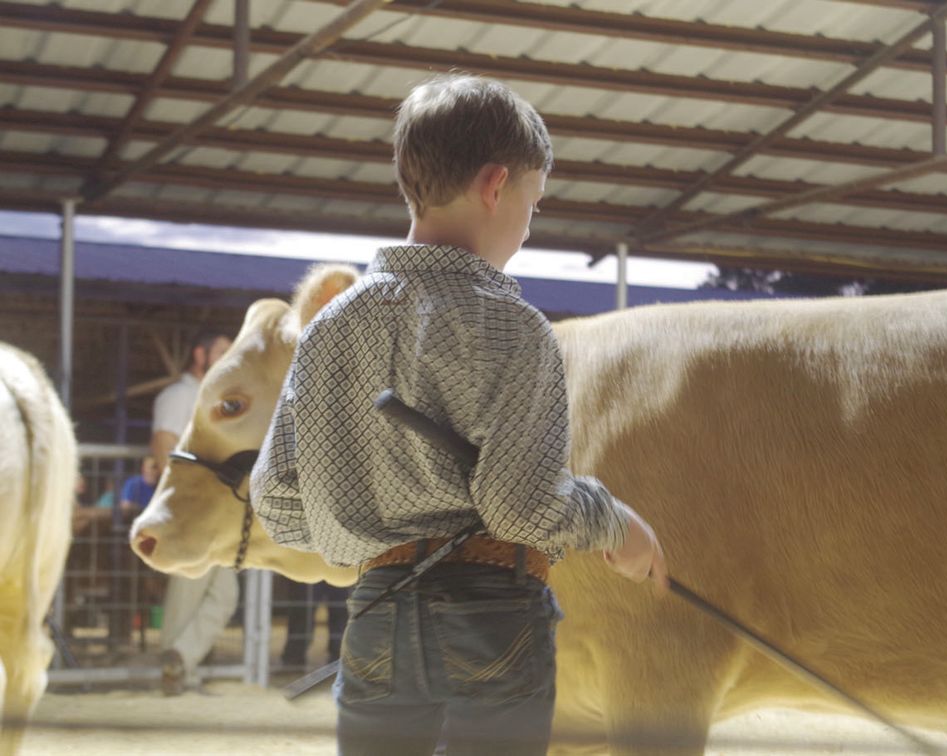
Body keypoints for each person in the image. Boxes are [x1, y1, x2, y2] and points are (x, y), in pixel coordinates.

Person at [251, 73, 668, 756]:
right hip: (492, 615)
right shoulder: (511, 327)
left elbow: (277, 499)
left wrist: (368, 535)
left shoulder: (331, 327)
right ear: (496, 185)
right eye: (532, 203)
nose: (529, 224)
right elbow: (519, 508)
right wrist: (615, 523)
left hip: (376, 614)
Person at [150, 331, 240, 697]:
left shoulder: (211, 397)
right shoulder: (180, 395)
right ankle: (174, 673)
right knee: (189, 590)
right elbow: (161, 443)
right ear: (199, 353)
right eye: (221, 351)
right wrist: (174, 502)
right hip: (187, 509)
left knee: (223, 593)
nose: (228, 356)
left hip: (210, 511)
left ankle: (179, 661)